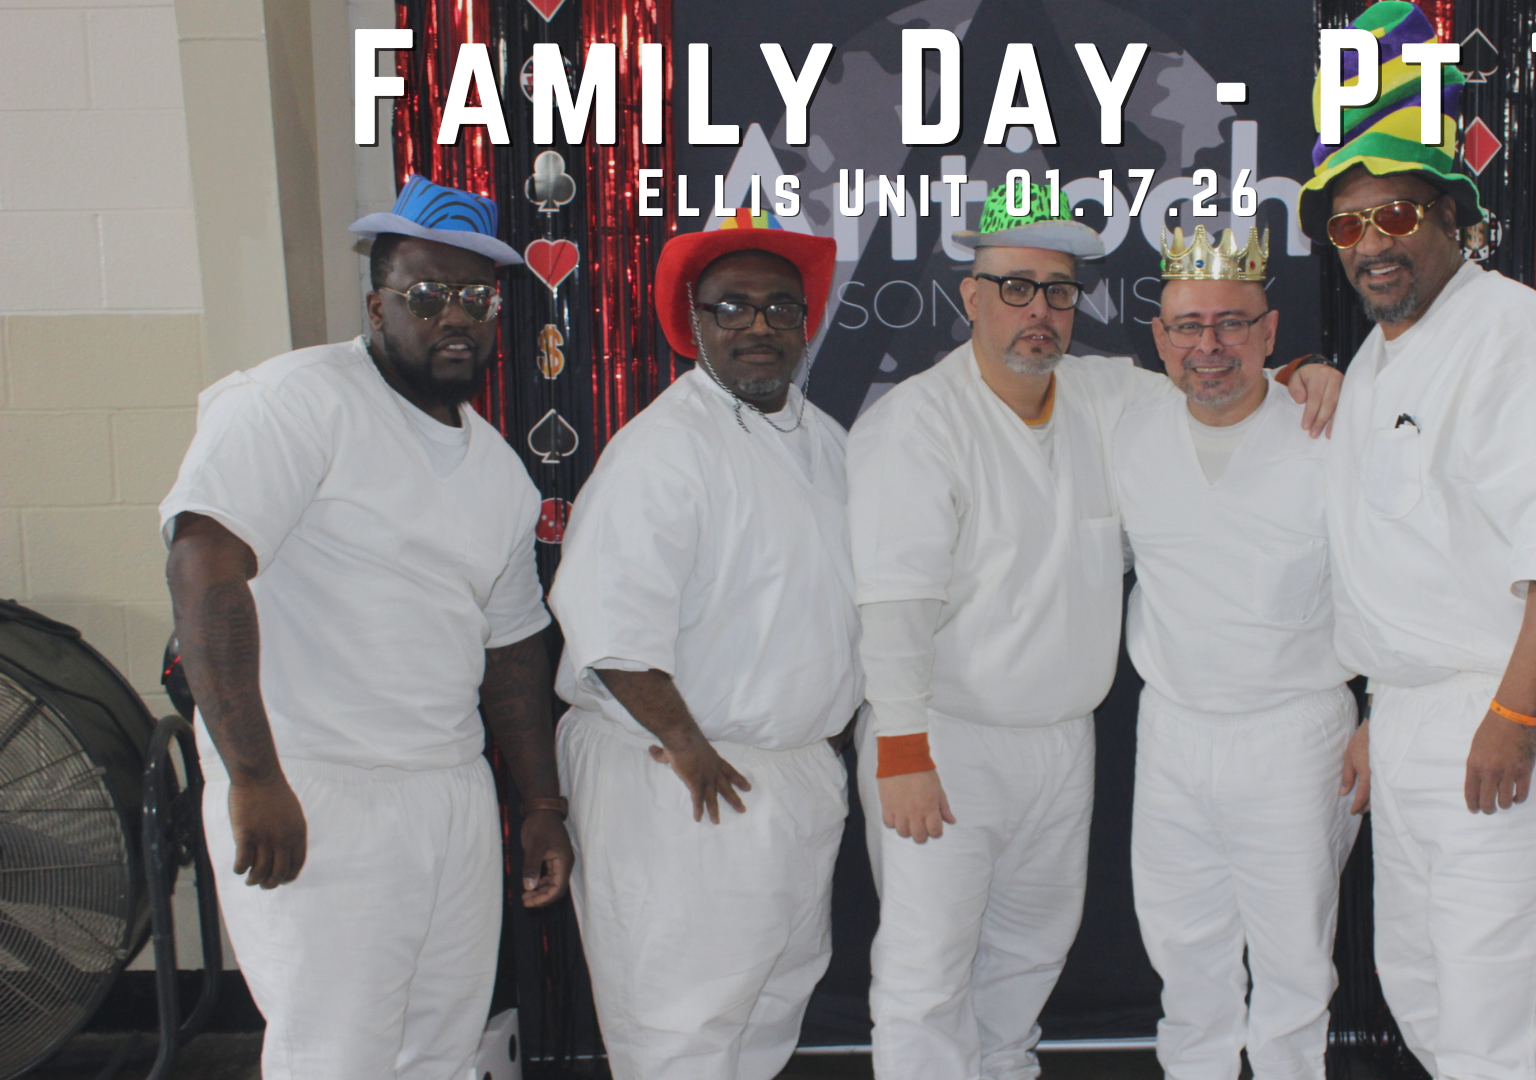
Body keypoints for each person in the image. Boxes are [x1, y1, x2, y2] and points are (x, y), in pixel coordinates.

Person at [848, 184, 1342, 1080]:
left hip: (1063, 738)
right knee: (926, 967)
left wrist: (1307, 370)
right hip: (944, 740)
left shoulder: (1107, 395)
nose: (1039, 310)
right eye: (1015, 287)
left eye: (1059, 291)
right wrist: (902, 750)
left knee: (1030, 951)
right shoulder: (916, 423)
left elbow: (1221, 381)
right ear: (971, 296)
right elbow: (892, 603)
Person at [160, 174, 572, 1080]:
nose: (454, 317)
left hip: (449, 791)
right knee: (334, 1056)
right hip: (316, 784)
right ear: (378, 303)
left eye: (476, 299)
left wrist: (541, 805)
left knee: (444, 1050)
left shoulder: (497, 468)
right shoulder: (296, 401)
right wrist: (254, 775)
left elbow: (511, 649)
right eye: (426, 295)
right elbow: (203, 565)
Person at [1302, 5, 1536, 1076]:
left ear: (1453, 217)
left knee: (1495, 1004)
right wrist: (1380, 708)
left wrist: (1513, 710)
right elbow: (1398, 560)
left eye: (1394, 215)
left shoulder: (1516, 337)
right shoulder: (1382, 356)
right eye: (1347, 227)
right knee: (1424, 991)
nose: (1371, 245)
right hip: (1411, 715)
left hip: (1506, 705)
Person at [545, 210, 862, 1080]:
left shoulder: (826, 440)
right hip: (683, 776)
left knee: (771, 1006)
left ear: (806, 321)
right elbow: (610, 626)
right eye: (732, 307)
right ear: (694, 322)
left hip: (789, 776)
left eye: (780, 307)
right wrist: (687, 745)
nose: (758, 325)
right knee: (680, 1026)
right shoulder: (665, 449)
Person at [1117, 224, 1360, 1079]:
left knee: (1295, 959)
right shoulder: (1129, 431)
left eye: (1232, 323)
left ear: (1269, 331)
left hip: (1294, 730)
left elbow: (1387, 586)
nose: (1209, 346)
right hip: (1173, 726)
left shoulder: (1330, 430)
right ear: (1160, 338)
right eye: (1188, 325)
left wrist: (1383, 712)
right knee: (1184, 952)